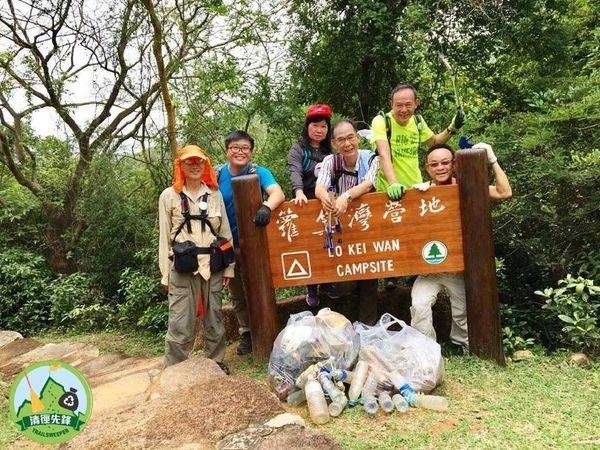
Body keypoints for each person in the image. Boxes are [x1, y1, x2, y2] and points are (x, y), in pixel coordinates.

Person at [410, 142, 512, 352]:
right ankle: (427, 351)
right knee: (419, 306)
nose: (440, 168)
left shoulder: (468, 187)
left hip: (458, 268)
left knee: (463, 312)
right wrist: (412, 194)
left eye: (445, 163)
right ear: (427, 168)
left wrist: (491, 160)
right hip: (429, 270)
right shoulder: (421, 193)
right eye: (434, 164)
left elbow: (504, 192)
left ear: (454, 165)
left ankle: (464, 347)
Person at [159, 145, 234, 373]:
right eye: (189, 162)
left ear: (205, 165)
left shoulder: (214, 195)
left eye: (199, 162)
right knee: (180, 322)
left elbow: (225, 234)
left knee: (215, 320)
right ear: (180, 165)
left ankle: (215, 363)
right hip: (182, 267)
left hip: (212, 266)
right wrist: (165, 274)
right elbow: (164, 237)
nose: (194, 166)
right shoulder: (169, 196)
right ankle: (174, 369)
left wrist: (229, 269)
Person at [217, 130, 285, 355]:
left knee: (260, 287)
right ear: (227, 150)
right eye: (235, 147)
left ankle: (265, 332)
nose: (240, 152)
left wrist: (266, 207)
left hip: (256, 244)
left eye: (245, 148)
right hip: (229, 243)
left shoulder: (259, 172)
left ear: (251, 152)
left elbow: (277, 193)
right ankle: (247, 332)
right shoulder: (216, 175)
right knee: (237, 292)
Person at [314, 119, 380, 325]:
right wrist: (323, 195)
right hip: (342, 231)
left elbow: (369, 183)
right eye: (341, 140)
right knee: (344, 278)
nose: (347, 144)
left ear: (358, 138)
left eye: (350, 137)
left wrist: (346, 196)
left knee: (369, 275)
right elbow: (320, 186)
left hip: (369, 226)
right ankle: (342, 328)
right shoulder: (330, 162)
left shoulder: (372, 159)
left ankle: (368, 328)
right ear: (334, 143)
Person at [371, 84, 464, 200]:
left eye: (408, 105)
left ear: (416, 103)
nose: (403, 110)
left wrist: (452, 127)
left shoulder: (417, 121)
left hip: (416, 189)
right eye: (399, 105)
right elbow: (384, 154)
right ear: (391, 104)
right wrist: (393, 183)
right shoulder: (382, 121)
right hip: (389, 191)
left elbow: (434, 143)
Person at [287, 104, 335, 306]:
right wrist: (298, 191)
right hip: (305, 202)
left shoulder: (330, 151)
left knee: (329, 243)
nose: (319, 130)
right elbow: (294, 170)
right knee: (308, 245)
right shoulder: (299, 149)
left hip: (328, 203)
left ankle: (329, 281)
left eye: (323, 126)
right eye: (315, 125)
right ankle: (311, 287)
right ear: (307, 127)